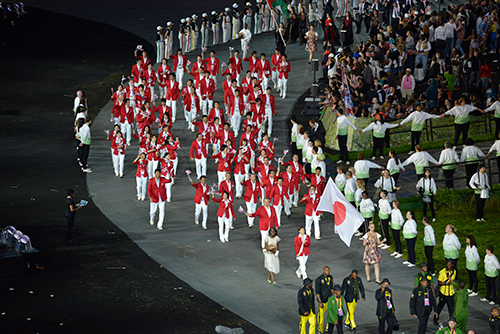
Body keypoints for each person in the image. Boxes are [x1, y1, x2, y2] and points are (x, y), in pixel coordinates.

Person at [435, 260, 457, 326]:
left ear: (452, 265)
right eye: (448, 264)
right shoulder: (442, 272)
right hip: (443, 293)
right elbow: (439, 282)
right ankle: (435, 319)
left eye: (450, 264)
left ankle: (452, 321)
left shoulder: (454, 272)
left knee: (451, 309)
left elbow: (452, 281)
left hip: (451, 293)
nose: (449, 265)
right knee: (440, 307)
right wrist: (446, 283)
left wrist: (449, 280)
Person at [316, 266, 334, 333]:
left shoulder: (330, 277)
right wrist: (320, 302)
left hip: (329, 299)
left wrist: (333, 298)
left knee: (331, 315)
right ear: (323, 270)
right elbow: (317, 292)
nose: (328, 272)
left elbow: (331, 288)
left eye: (328, 270)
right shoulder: (319, 279)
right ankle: (320, 330)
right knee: (321, 317)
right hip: (323, 300)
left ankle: (328, 328)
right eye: (326, 270)